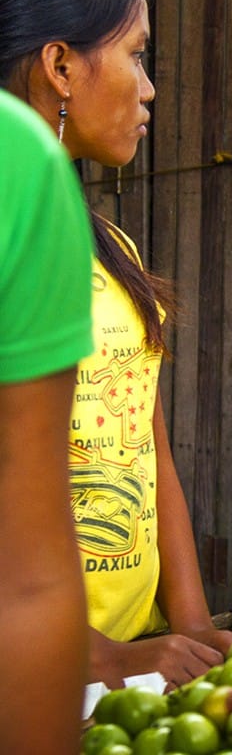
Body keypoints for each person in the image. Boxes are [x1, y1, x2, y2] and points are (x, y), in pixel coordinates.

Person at [0, 0, 232, 691]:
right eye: (137, 53)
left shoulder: (113, 250)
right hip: (34, 661)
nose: (150, 86)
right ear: (61, 65)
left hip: (130, 654)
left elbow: (148, 445)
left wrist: (190, 621)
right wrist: (87, 651)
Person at [0, 89, 94, 754]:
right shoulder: (23, 163)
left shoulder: (23, 168)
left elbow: (26, 583)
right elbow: (26, 584)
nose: (148, 89)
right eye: (136, 56)